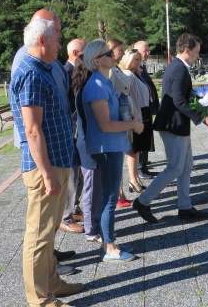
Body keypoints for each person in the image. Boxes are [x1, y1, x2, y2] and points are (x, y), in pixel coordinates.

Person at [10, 18, 83, 307]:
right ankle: (39, 299)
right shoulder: (31, 73)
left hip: (58, 162)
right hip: (46, 167)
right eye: (56, 38)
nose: (59, 44)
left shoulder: (41, 70)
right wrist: (46, 174)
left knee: (49, 232)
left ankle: (52, 283)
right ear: (43, 41)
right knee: (39, 236)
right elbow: (32, 129)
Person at [132, 33, 208, 224]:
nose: (197, 57)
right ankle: (143, 202)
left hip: (178, 126)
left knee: (186, 167)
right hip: (173, 126)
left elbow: (181, 96)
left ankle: (185, 207)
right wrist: (201, 118)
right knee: (174, 168)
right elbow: (178, 100)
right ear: (186, 50)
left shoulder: (178, 67)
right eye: (196, 52)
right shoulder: (179, 69)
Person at [82, 40, 144, 262]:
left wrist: (131, 118)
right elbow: (105, 125)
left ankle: (107, 239)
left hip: (112, 146)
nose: (112, 55)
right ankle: (109, 247)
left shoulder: (104, 82)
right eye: (107, 53)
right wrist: (134, 125)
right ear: (96, 61)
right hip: (106, 148)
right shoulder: (96, 85)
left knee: (107, 196)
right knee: (109, 198)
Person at [72, 55, 103, 242]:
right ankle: (91, 230)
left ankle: (94, 224)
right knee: (91, 188)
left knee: (95, 187)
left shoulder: (83, 88)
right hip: (88, 145)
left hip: (91, 143)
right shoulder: (85, 90)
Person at [59, 38, 87, 233]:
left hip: (78, 128)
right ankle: (66, 217)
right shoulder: (66, 72)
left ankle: (75, 208)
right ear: (76, 53)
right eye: (86, 52)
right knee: (72, 173)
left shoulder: (75, 70)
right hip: (71, 129)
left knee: (79, 172)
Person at [119, 48, 154, 194]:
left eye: (139, 59)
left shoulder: (136, 74)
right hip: (137, 113)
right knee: (133, 149)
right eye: (135, 59)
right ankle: (132, 180)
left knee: (138, 149)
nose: (139, 62)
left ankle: (136, 179)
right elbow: (131, 98)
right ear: (128, 60)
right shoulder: (128, 74)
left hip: (143, 112)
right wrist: (136, 117)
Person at [108, 38, 132, 208]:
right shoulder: (110, 71)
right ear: (112, 50)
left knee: (121, 154)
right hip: (116, 116)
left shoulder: (116, 68)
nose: (123, 53)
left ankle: (120, 192)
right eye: (120, 50)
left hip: (123, 114)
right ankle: (117, 194)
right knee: (117, 156)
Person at [133, 40, 160, 179]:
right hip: (140, 110)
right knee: (142, 138)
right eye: (145, 50)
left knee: (147, 137)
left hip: (147, 108)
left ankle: (143, 164)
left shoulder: (142, 67)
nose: (148, 53)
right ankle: (140, 167)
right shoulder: (134, 69)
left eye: (148, 50)